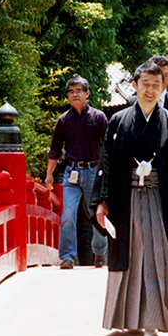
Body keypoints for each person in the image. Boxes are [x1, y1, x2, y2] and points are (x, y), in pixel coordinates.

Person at [92, 61, 168, 336]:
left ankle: (152, 324)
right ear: (134, 85)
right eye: (145, 83)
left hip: (158, 198)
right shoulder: (118, 121)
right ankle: (127, 318)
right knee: (131, 257)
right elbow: (105, 163)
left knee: (154, 257)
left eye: (156, 85)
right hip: (125, 197)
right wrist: (101, 201)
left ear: (164, 87)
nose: (150, 89)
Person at [45, 74, 108, 269]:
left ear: (87, 93)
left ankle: (99, 253)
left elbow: (108, 147)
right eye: (71, 91)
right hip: (71, 172)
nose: (75, 94)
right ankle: (67, 257)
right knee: (68, 215)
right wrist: (49, 174)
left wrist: (107, 173)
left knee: (95, 214)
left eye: (78, 90)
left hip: (93, 171)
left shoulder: (98, 117)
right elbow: (55, 149)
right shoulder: (63, 120)